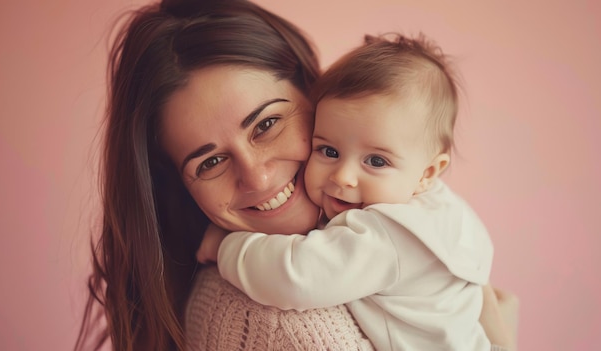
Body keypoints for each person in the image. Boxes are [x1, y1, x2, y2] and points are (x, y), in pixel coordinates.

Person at [74, 0, 519, 350]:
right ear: (176, 184)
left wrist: (229, 245)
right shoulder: (286, 328)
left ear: (316, 90)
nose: (258, 177)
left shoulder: (388, 224)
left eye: (266, 124)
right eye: (209, 162)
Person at [198, 33, 493, 350]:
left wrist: (228, 247)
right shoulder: (443, 209)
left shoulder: (388, 233)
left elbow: (296, 277)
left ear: (428, 173)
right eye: (328, 151)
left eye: (376, 161)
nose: (344, 176)